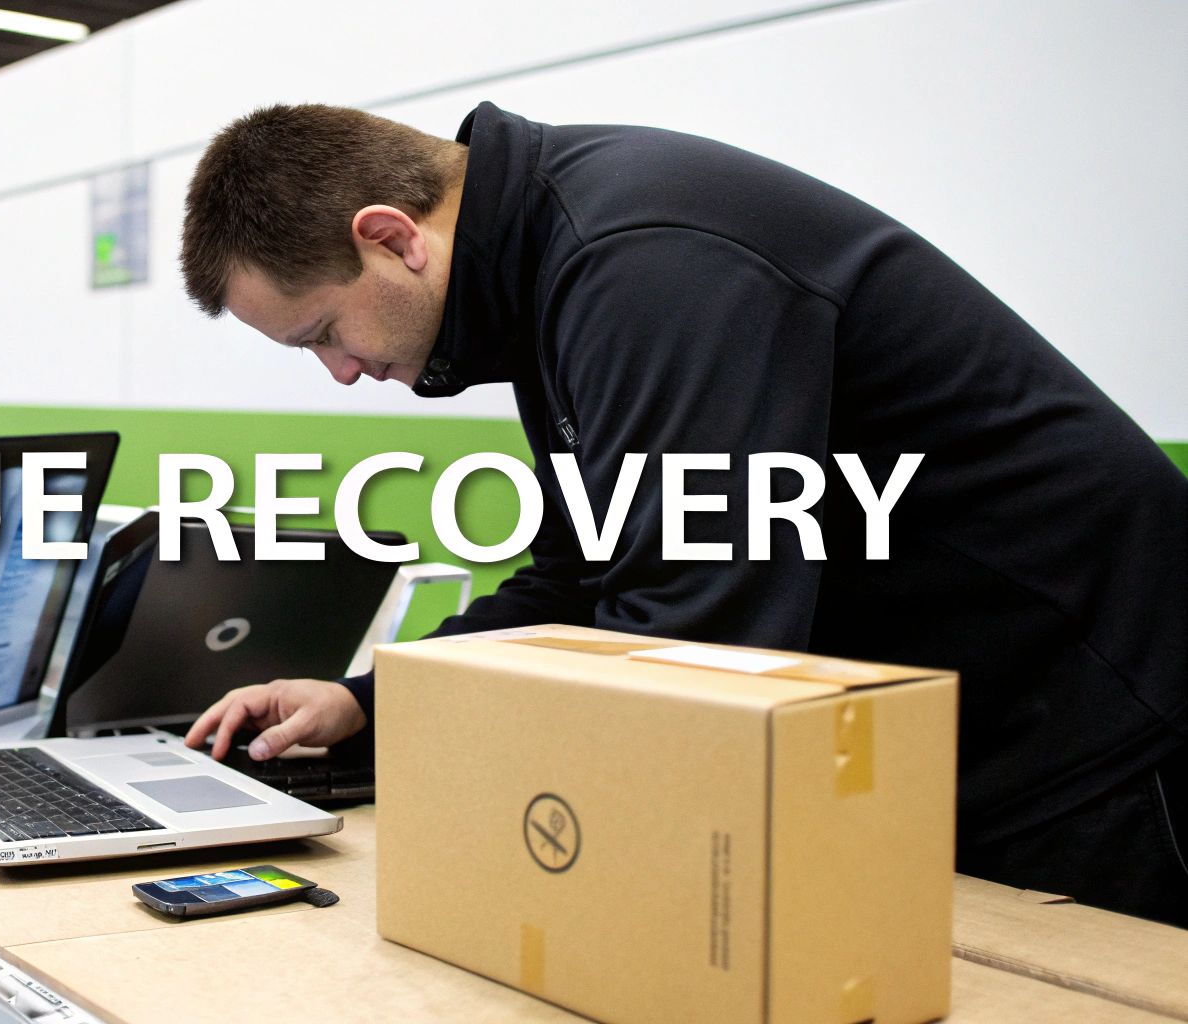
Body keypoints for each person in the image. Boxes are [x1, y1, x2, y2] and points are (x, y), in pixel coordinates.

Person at [176, 102, 1188, 925]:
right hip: (956, 727)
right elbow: (577, 578)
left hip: (1093, 711)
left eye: (323, 332)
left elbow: (697, 637)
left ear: (392, 237)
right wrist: (369, 701)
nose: (342, 372)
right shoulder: (547, 271)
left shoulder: (639, 259)